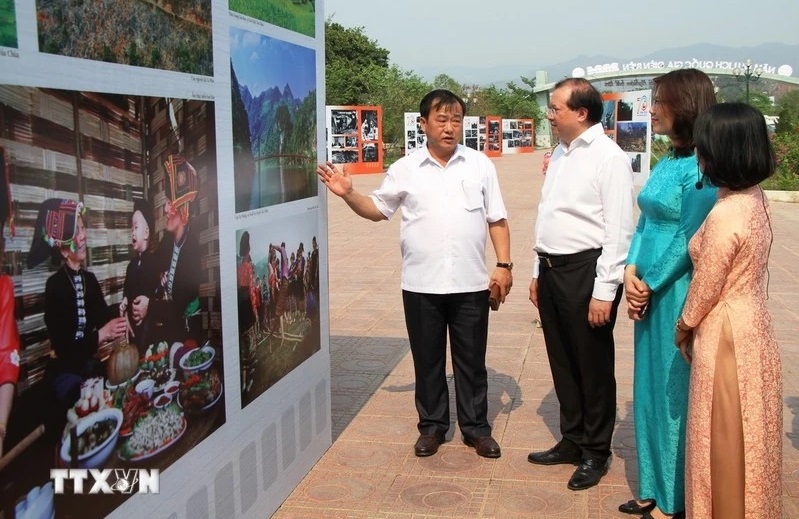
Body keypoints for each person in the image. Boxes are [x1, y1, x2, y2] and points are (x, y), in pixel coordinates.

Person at [317, 89, 512, 459]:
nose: (450, 127)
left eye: (456, 120)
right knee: (428, 360)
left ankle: (476, 430)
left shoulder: (480, 165)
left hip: (471, 284)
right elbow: (377, 210)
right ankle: (433, 427)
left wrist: (503, 266)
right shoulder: (405, 168)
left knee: (472, 361)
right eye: (441, 120)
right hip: (421, 284)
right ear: (423, 124)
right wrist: (346, 193)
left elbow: (497, 218)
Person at [619, 69, 717, 519]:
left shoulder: (703, 167)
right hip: (646, 286)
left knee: (674, 389)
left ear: (686, 106)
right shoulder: (666, 162)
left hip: (676, 288)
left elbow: (688, 236)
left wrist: (651, 283)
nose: (652, 109)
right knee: (647, 387)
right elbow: (644, 223)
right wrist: (630, 271)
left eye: (659, 101)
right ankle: (652, 485)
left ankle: (675, 495)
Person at [527, 78, 635, 490]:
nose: (550, 115)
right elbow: (547, 213)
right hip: (553, 269)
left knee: (592, 364)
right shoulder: (559, 152)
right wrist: (539, 272)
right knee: (563, 359)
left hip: (587, 270)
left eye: (555, 109)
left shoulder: (608, 157)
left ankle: (595, 451)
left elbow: (619, 230)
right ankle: (571, 439)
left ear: (582, 113)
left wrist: (604, 291)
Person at [675, 102, 781, 519]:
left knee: (721, 435)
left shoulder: (726, 214)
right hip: (755, 322)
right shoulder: (754, 198)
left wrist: (683, 325)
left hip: (725, 332)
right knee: (750, 430)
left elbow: (706, 287)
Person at [27, 199, 127, 409]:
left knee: (115, 388)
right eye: (77, 231)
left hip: (87, 365)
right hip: (64, 371)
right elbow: (64, 348)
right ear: (64, 251)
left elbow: (101, 316)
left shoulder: (89, 280)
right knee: (82, 403)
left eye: (83, 228)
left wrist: (122, 307)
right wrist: (102, 335)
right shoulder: (54, 286)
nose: (83, 236)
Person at [132, 154, 202, 345]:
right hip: (171, 329)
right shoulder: (167, 241)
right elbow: (152, 268)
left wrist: (150, 306)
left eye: (169, 203)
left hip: (188, 333)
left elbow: (177, 307)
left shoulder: (192, 250)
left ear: (183, 210)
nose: (164, 209)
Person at [119, 198, 160, 353]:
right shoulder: (131, 266)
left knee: (146, 351)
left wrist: (148, 309)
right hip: (132, 325)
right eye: (131, 229)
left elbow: (156, 292)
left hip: (149, 325)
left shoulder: (154, 262)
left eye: (136, 227)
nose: (133, 233)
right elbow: (127, 288)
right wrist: (125, 299)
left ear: (147, 232)